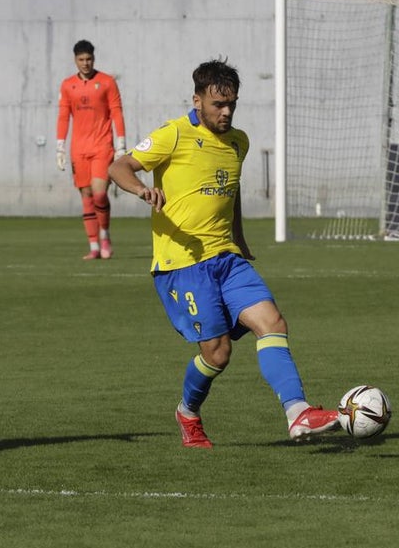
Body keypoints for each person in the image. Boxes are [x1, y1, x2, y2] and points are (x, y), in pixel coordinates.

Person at [108, 59, 340, 448]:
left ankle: (297, 412)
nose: (226, 111)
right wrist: (141, 189)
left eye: (232, 103)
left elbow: (229, 196)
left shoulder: (239, 142)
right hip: (181, 265)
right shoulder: (174, 135)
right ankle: (188, 412)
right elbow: (119, 166)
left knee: (273, 322)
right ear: (197, 100)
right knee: (218, 354)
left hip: (227, 258)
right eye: (218, 104)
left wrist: (240, 240)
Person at [56, 39, 127, 260]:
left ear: (93, 59)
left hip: (102, 146)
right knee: (86, 196)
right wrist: (60, 146)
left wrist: (121, 144)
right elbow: (63, 116)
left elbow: (116, 112)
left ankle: (105, 235)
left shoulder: (106, 82)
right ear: (75, 60)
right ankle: (94, 246)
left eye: (89, 59)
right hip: (79, 148)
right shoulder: (68, 85)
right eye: (81, 60)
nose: (85, 63)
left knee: (99, 193)